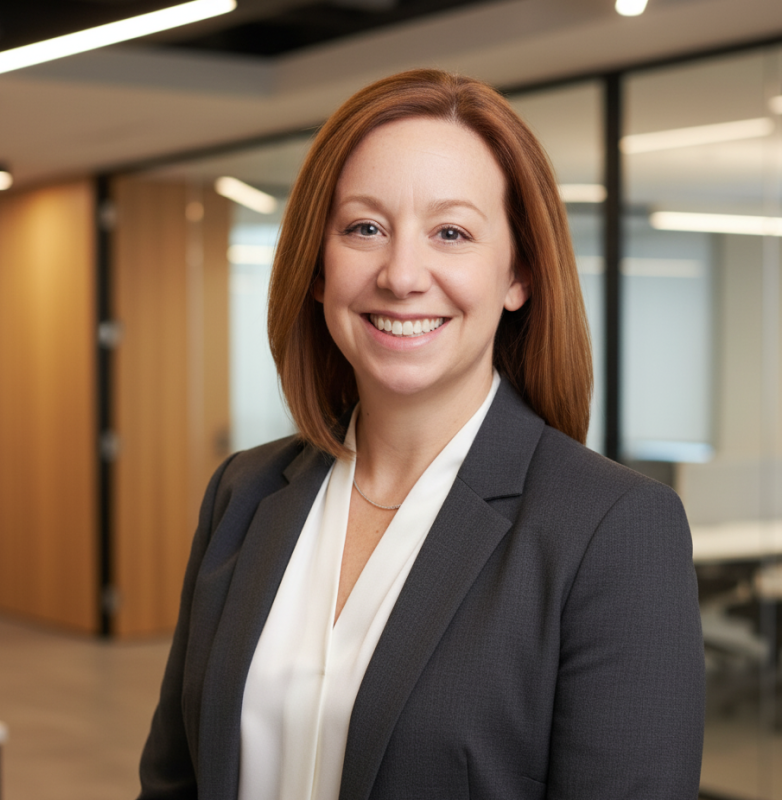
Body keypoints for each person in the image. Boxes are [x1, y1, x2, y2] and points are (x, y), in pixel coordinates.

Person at [137, 69, 705, 800]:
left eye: (452, 233)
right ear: (318, 267)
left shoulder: (612, 531)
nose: (402, 275)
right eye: (364, 228)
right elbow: (173, 781)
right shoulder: (242, 494)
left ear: (518, 275)